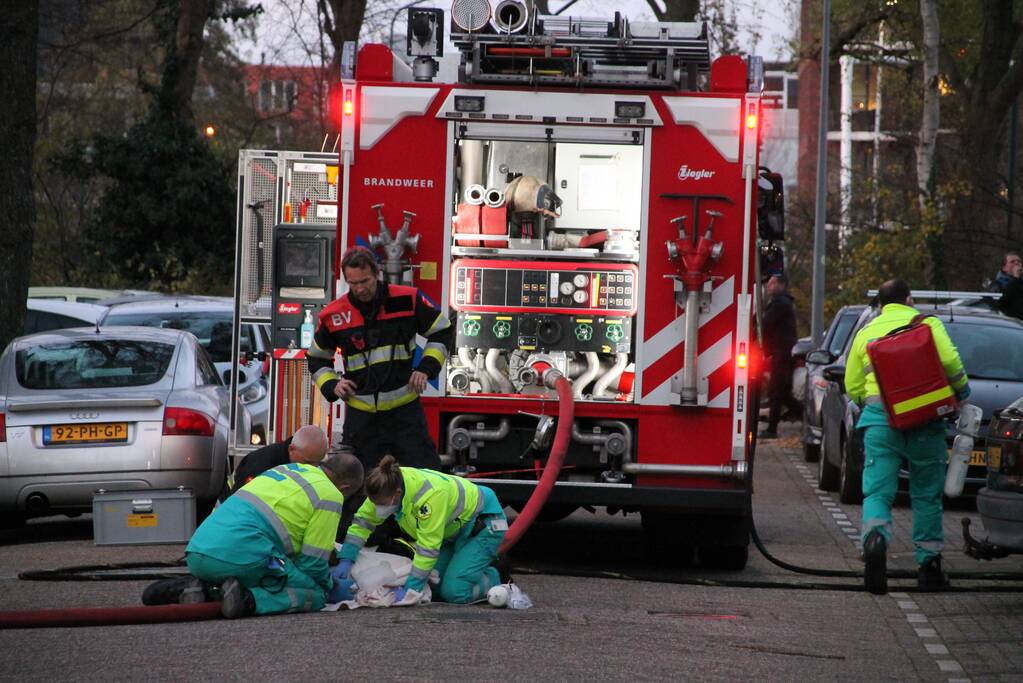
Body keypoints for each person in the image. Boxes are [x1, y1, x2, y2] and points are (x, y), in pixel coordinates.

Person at [844, 279, 970, 595]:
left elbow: (853, 385)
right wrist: (962, 392)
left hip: (880, 424)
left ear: (880, 305)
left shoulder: (865, 334)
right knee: (926, 494)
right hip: (926, 422)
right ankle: (929, 567)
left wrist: (871, 406)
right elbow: (952, 362)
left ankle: (875, 542)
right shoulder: (927, 324)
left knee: (877, 491)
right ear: (910, 299)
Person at [142, 452, 364, 618]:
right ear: (344, 488)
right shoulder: (330, 495)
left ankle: (203, 589)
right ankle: (249, 600)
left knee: (281, 565)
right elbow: (313, 565)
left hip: (199, 550)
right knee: (313, 592)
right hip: (247, 556)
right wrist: (332, 586)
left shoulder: (289, 469)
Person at [307, 246, 452, 470]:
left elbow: (441, 331)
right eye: (353, 283)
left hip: (405, 414)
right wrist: (333, 384)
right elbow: (317, 358)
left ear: (377, 274)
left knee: (425, 477)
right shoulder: (334, 315)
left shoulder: (406, 300)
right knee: (359, 484)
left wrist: (426, 369)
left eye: (365, 281)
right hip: (361, 418)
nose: (360, 289)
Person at [334, 455, 509, 604]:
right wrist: (347, 558)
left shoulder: (429, 497)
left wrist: (410, 590)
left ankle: (494, 576)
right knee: (435, 586)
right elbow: (362, 523)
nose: (378, 508)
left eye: (381, 504)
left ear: (397, 494)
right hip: (453, 531)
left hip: (482, 524)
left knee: (455, 593)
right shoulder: (386, 486)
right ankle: (471, 568)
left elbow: (427, 548)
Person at [229, 425, 329, 494]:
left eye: (317, 463)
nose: (313, 468)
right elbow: (244, 499)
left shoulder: (299, 456)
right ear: (291, 449)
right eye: (308, 462)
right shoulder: (261, 466)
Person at [760, 273, 802, 438]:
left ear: (781, 285)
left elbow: (765, 322)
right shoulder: (782, 302)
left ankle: (772, 429)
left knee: (776, 392)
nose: (769, 286)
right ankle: (804, 414)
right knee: (783, 393)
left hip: (781, 354)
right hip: (783, 353)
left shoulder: (780, 303)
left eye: (772, 283)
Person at [988, 251, 1023, 320]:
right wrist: (1015, 278)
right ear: (1004, 268)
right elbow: (1001, 303)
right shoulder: (997, 285)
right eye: (1012, 262)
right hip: (1010, 324)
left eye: (1019, 261)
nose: (1017, 263)